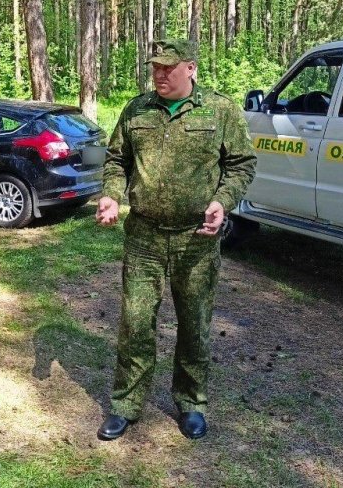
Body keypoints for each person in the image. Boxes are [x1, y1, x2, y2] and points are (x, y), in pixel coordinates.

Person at [95, 39, 256, 441]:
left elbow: (241, 164)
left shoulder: (220, 110)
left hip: (196, 239)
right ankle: (127, 405)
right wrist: (111, 195)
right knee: (135, 323)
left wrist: (223, 201)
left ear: (191, 68)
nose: (160, 75)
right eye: (155, 67)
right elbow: (117, 160)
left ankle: (191, 402)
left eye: (169, 67)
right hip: (144, 235)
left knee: (194, 323)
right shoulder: (137, 110)